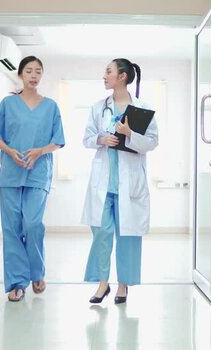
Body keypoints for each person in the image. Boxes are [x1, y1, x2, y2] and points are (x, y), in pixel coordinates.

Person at [81, 58, 158, 304]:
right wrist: (101, 140)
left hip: (129, 184)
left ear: (122, 76)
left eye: (108, 71)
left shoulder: (142, 109)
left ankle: (123, 285)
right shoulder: (98, 107)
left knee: (127, 235)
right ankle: (103, 284)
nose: (104, 75)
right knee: (101, 233)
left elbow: (152, 142)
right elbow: (87, 138)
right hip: (103, 183)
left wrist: (129, 134)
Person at [0, 56, 65, 302]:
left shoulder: (51, 106)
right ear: (21, 74)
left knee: (33, 224)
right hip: (11, 174)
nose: (34, 75)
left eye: (38, 71)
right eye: (29, 71)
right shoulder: (8, 103)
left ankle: (36, 272)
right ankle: (16, 282)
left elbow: (58, 141)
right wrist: (10, 151)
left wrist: (39, 151)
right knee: (11, 229)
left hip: (38, 173)